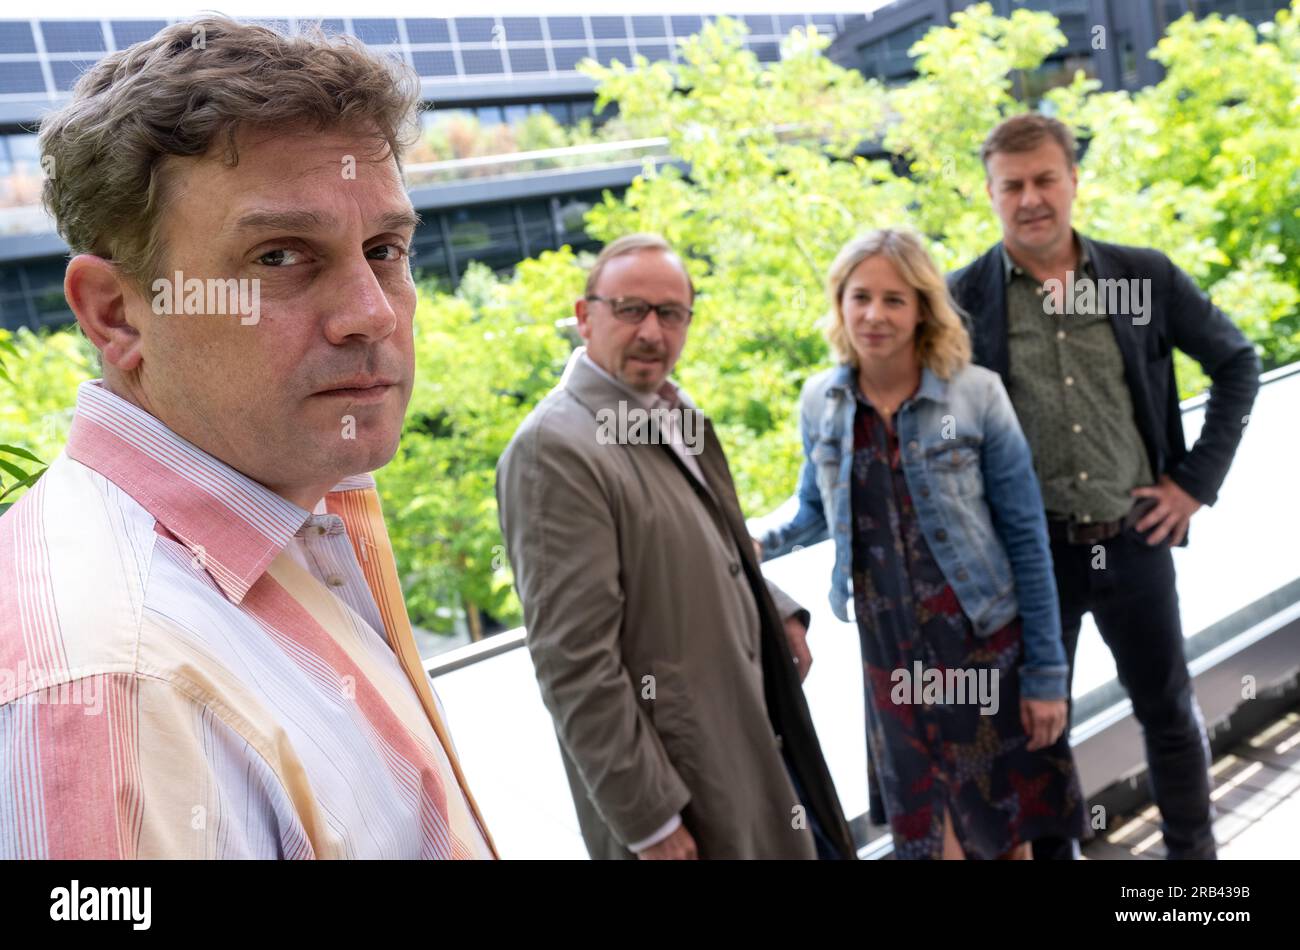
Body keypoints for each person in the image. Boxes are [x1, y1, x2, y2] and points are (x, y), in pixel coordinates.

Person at [0, 18, 494, 859]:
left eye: (384, 249)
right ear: (117, 313)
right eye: (279, 256)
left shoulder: (290, 502)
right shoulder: (117, 685)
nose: (372, 312)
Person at [949, 113, 1260, 860]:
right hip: (1032, 564)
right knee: (1037, 736)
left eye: (1045, 179)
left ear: (1072, 180)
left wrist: (1192, 485)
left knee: (1168, 714)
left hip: (1134, 541)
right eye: (1012, 186)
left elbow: (1237, 363)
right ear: (990, 195)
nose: (1031, 199)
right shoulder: (964, 301)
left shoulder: (1140, 278)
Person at [496, 234, 856, 860]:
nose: (652, 332)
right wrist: (650, 823)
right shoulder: (554, 450)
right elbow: (573, 663)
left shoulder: (668, 407)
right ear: (585, 316)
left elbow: (700, 537)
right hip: (685, 787)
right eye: (630, 309)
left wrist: (775, 610)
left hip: (750, 731)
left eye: (671, 314)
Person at [753, 229, 1085, 860]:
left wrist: (1046, 675)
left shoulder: (976, 394)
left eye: (894, 300)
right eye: (860, 297)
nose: (874, 315)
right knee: (932, 845)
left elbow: (1027, 539)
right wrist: (756, 538)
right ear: (840, 302)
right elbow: (814, 509)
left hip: (984, 650)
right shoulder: (820, 401)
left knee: (1005, 840)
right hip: (891, 662)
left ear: (923, 308)